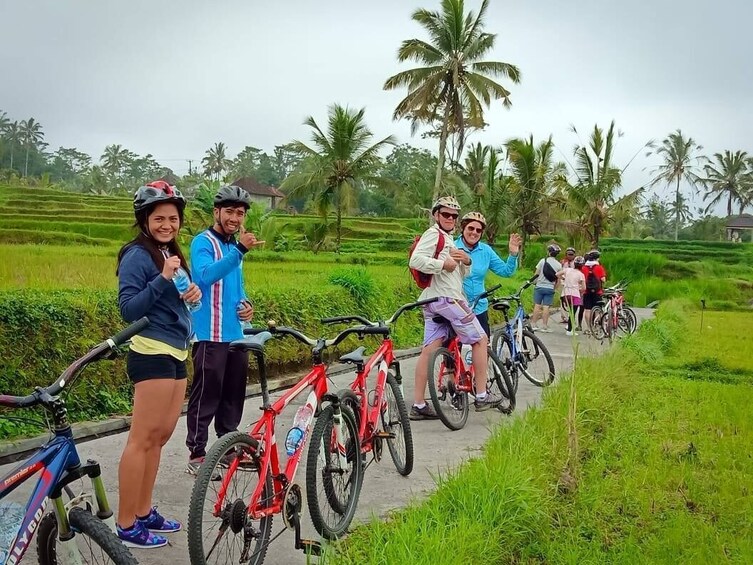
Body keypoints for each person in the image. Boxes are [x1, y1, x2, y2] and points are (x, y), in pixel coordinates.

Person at [116, 181, 201, 548]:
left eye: (173, 218)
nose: (167, 224)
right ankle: (124, 523)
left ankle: (144, 510)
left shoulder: (169, 251)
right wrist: (163, 278)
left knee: (160, 437)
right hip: (150, 351)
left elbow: (171, 301)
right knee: (141, 439)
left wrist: (189, 292)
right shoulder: (137, 255)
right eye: (159, 218)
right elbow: (129, 309)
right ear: (144, 219)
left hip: (176, 350)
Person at [185, 185, 262, 475]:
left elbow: (236, 287)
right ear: (216, 212)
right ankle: (197, 454)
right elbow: (204, 276)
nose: (234, 218)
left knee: (233, 395)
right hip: (209, 334)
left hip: (235, 333)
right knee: (206, 394)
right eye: (229, 211)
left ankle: (228, 447)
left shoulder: (234, 248)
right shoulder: (202, 242)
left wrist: (247, 304)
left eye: (240, 213)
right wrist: (240, 249)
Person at [408, 196, 503, 420]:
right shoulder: (434, 234)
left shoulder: (448, 240)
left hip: (431, 301)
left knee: (429, 351)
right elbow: (416, 260)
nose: (450, 218)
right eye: (445, 214)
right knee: (480, 340)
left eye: (453, 215)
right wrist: (444, 264)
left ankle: (419, 405)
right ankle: (481, 395)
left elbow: (458, 273)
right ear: (435, 215)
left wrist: (465, 262)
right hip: (447, 299)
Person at [454, 211, 521, 336]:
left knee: (483, 348)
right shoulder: (452, 247)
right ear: (463, 228)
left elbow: (506, 272)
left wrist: (513, 254)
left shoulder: (486, 250)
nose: (474, 232)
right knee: (453, 351)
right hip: (456, 307)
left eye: (478, 230)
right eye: (471, 228)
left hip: (479, 307)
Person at [530, 244, 562, 332]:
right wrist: (554, 288)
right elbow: (558, 280)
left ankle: (533, 324)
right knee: (546, 307)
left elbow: (536, 274)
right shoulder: (559, 265)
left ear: (549, 252)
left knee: (537, 305)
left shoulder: (542, 261)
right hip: (550, 288)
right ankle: (544, 326)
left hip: (539, 286)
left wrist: (534, 282)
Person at [558, 255, 586, 336]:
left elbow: (557, 274)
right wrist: (579, 289)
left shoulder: (567, 270)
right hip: (575, 294)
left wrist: (563, 278)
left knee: (569, 310)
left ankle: (569, 327)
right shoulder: (581, 274)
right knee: (573, 313)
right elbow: (584, 288)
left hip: (565, 293)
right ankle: (570, 329)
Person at [582, 249, 607, 334]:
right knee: (597, 310)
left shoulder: (584, 267)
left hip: (586, 292)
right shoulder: (599, 267)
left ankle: (589, 328)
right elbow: (603, 280)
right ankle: (596, 328)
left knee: (587, 310)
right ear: (597, 258)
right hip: (597, 292)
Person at [558, 247, 577, 323]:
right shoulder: (563, 262)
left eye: (571, 254)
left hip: (573, 285)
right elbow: (559, 271)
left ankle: (571, 317)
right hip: (563, 283)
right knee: (563, 301)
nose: (570, 256)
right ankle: (564, 317)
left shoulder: (576, 263)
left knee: (572, 301)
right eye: (568, 254)